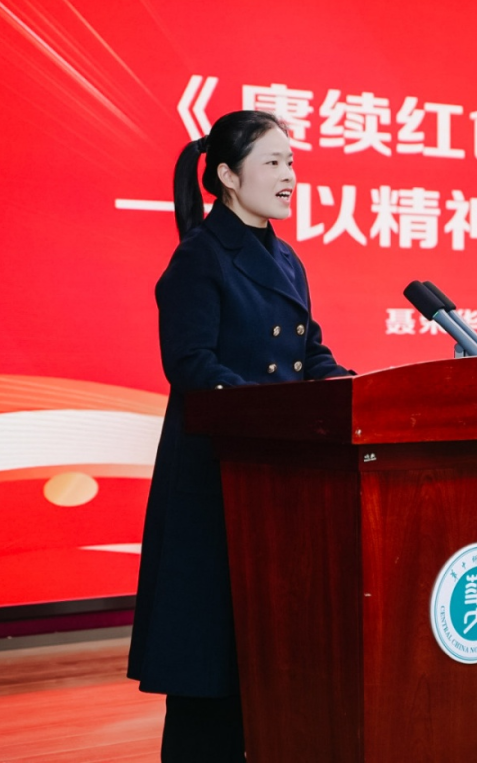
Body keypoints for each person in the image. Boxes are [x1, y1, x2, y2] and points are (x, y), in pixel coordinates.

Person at [127, 110, 352, 762]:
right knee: (208, 661)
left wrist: (350, 389)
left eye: (292, 163)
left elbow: (310, 353)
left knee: (264, 655)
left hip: (272, 479)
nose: (289, 176)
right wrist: (268, 410)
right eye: (273, 162)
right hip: (214, 477)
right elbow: (191, 364)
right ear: (227, 176)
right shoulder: (199, 256)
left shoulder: (286, 258)